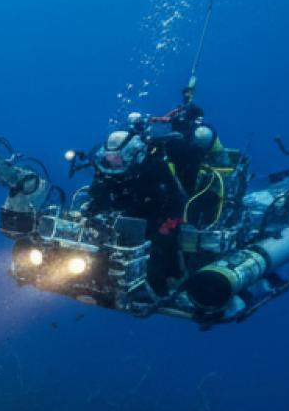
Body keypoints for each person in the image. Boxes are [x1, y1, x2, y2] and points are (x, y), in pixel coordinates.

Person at [88, 109, 223, 296]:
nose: (112, 165)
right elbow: (98, 195)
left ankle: (161, 285)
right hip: (131, 216)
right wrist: (92, 211)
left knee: (161, 248)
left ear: (132, 155)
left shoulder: (155, 168)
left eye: (117, 160)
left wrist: (166, 226)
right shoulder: (106, 172)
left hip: (159, 218)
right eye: (109, 159)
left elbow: (177, 200)